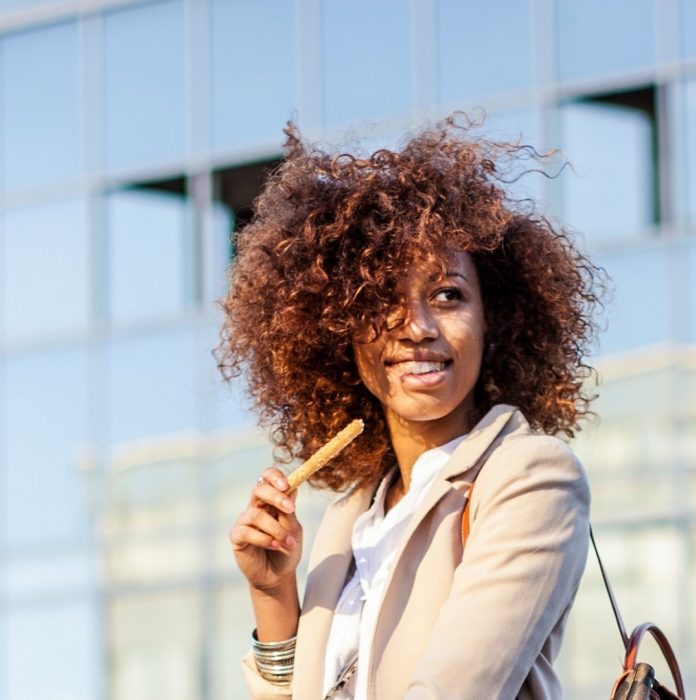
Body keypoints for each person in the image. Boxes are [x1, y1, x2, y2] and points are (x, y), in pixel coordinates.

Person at [217, 114, 603, 699]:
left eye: (447, 295)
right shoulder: (350, 519)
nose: (417, 327)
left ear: (493, 318)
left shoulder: (529, 477)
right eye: (380, 301)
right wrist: (273, 595)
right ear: (338, 330)